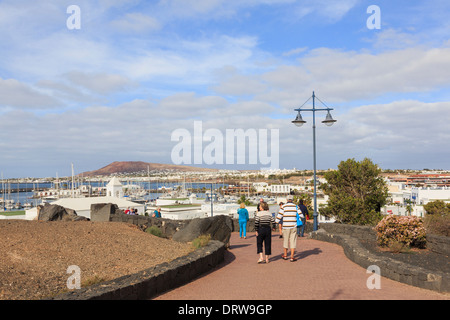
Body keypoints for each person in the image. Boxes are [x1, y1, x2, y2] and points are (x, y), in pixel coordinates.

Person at [276, 195, 303, 262]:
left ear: (287, 199)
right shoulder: (296, 206)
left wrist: (276, 222)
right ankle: (292, 257)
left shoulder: (283, 206)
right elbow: (301, 215)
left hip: (285, 226)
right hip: (293, 226)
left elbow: (278, 217)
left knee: (286, 240)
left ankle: (285, 255)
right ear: (292, 199)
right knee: (293, 241)